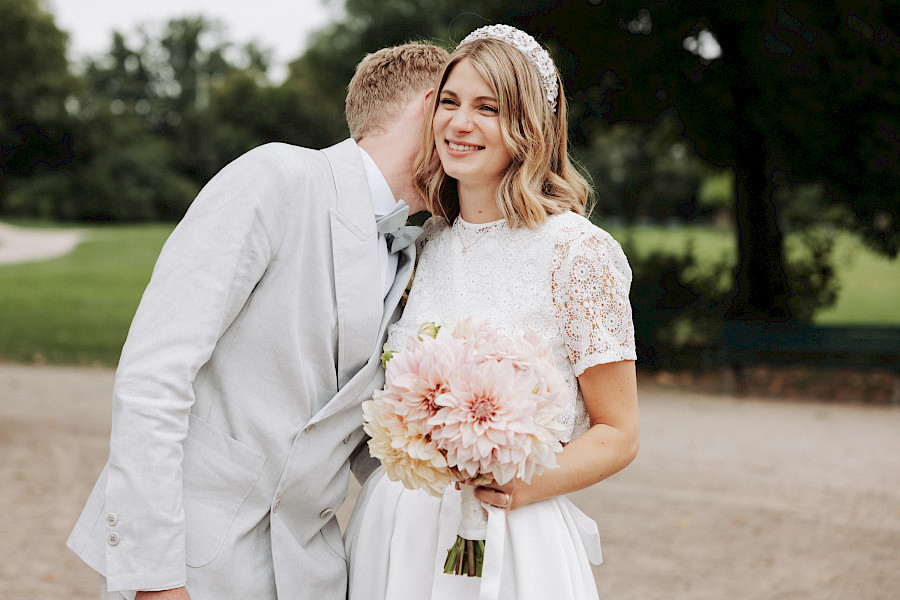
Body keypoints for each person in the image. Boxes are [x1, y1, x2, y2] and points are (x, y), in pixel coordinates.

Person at [66, 42, 449, 600]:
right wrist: (156, 580)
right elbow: (155, 375)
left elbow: (359, 427)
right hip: (193, 559)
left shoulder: (416, 253)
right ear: (434, 104)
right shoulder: (276, 177)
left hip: (310, 570)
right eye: (466, 109)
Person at [344, 25, 640, 599]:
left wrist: (522, 486)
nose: (460, 123)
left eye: (488, 108)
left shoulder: (578, 253)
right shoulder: (422, 243)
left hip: (513, 531)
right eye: (450, 103)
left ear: (528, 127)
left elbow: (619, 432)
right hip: (395, 532)